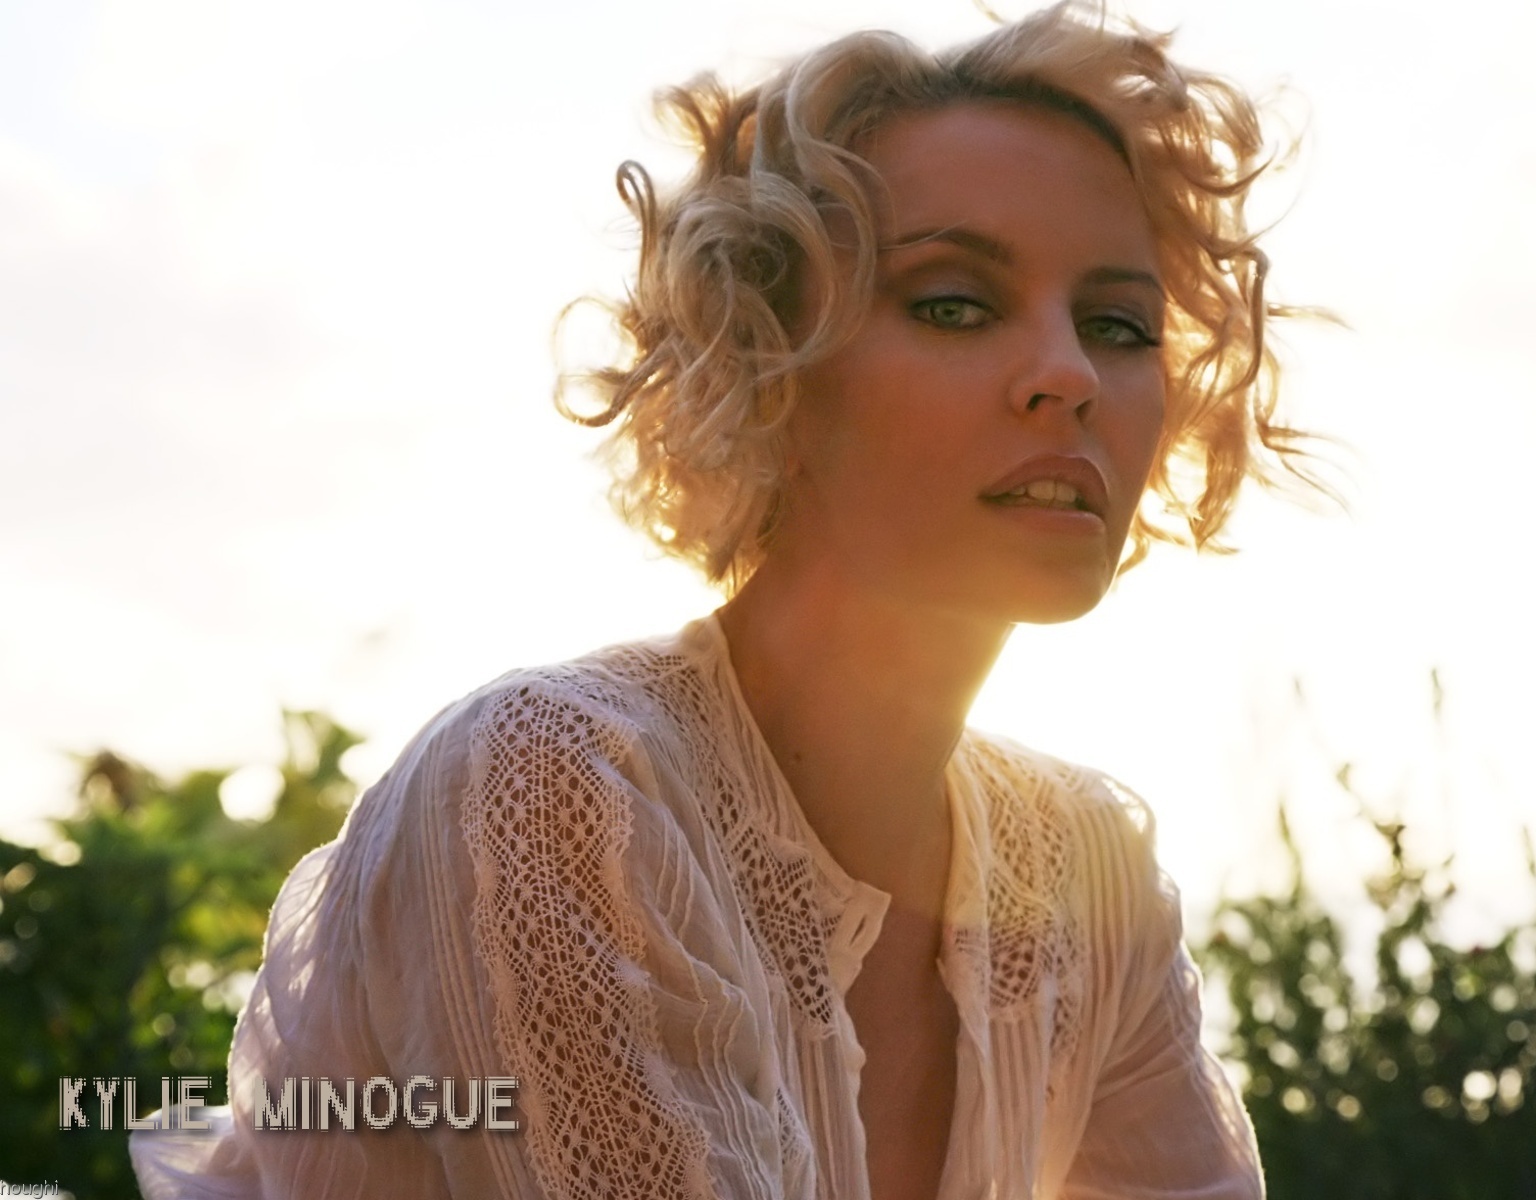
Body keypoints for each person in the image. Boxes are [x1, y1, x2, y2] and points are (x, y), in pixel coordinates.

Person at [132, 3, 1324, 1196]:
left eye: (1118, 325)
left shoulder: (1087, 875)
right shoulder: (559, 785)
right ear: (767, 368)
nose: (1069, 374)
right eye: (953, 303)